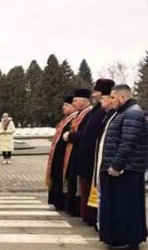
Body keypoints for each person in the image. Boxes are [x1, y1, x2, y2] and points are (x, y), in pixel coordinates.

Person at [98, 85, 147, 250]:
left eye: (113, 97)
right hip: (122, 169)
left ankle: (129, 240)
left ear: (122, 97)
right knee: (118, 207)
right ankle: (118, 238)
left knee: (127, 207)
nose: (110, 101)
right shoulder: (122, 113)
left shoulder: (133, 113)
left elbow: (128, 142)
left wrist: (116, 165)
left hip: (127, 170)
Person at [72, 79, 115, 225]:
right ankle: (89, 216)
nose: (94, 95)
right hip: (87, 159)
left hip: (93, 160)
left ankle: (92, 217)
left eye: (98, 93)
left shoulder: (105, 112)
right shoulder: (97, 110)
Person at [62, 88, 93, 217]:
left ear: (84, 101)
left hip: (81, 153)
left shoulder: (89, 114)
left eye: (75, 100)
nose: (73, 103)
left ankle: (76, 209)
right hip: (75, 152)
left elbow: (86, 134)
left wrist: (70, 136)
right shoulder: (81, 113)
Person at [46, 96, 78, 211]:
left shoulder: (74, 119)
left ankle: (61, 202)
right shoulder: (66, 118)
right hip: (58, 155)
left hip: (65, 155)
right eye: (63, 105)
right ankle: (56, 200)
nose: (63, 107)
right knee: (57, 177)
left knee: (62, 178)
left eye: (67, 105)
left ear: (73, 107)